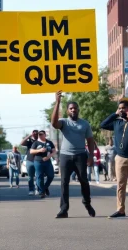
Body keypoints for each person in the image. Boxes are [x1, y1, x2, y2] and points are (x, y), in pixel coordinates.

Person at [51, 90, 96, 219]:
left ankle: (87, 203)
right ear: (67, 111)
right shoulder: (64, 122)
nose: (73, 110)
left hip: (80, 155)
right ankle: (63, 209)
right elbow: (54, 123)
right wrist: (57, 102)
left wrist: (91, 156)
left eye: (75, 108)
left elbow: (90, 141)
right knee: (64, 182)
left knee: (84, 181)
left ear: (78, 110)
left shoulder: (84, 124)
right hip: (65, 156)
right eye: (71, 109)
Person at [100, 100, 128, 220]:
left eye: (124, 108)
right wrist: (114, 114)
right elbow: (103, 125)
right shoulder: (116, 122)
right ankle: (120, 210)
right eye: (120, 108)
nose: (122, 110)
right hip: (120, 158)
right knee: (120, 185)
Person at [30, 130, 56, 198]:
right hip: (38, 161)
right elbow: (31, 151)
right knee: (39, 177)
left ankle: (45, 187)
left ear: (45, 135)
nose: (40, 135)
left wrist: (48, 157)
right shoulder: (36, 143)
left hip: (47, 161)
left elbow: (54, 151)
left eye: (41, 134)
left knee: (51, 176)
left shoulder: (49, 142)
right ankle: (42, 192)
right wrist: (39, 150)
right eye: (39, 134)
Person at [20, 130, 39, 195]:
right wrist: (29, 136)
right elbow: (22, 143)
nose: (35, 134)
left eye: (37, 133)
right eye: (34, 133)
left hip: (38, 160)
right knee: (30, 177)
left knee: (38, 176)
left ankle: (38, 189)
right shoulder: (30, 141)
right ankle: (31, 190)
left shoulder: (40, 141)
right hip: (29, 160)